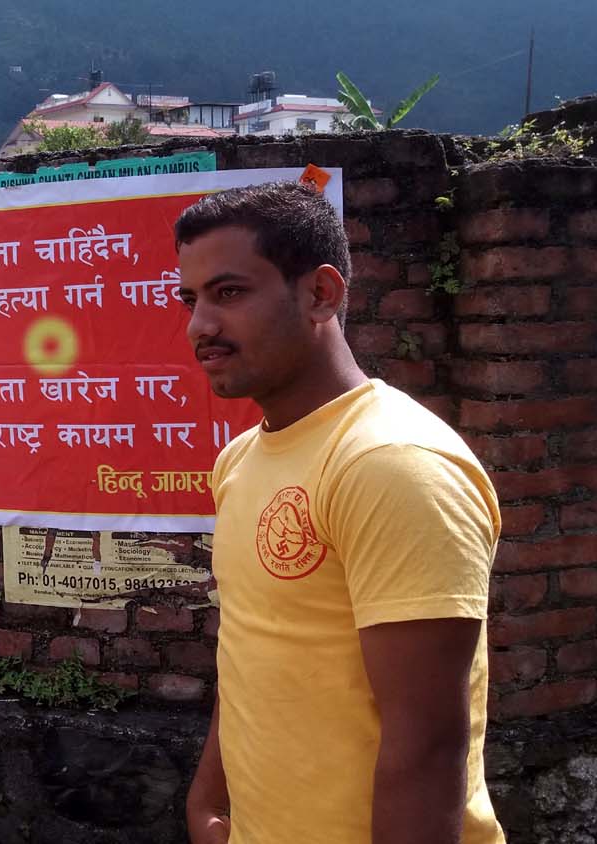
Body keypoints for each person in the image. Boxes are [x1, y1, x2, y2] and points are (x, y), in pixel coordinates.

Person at [174, 181, 504, 844]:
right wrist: (207, 800)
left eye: (229, 293)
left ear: (320, 294)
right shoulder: (239, 461)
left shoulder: (391, 462)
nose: (199, 326)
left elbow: (428, 744)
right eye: (191, 298)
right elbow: (252, 652)